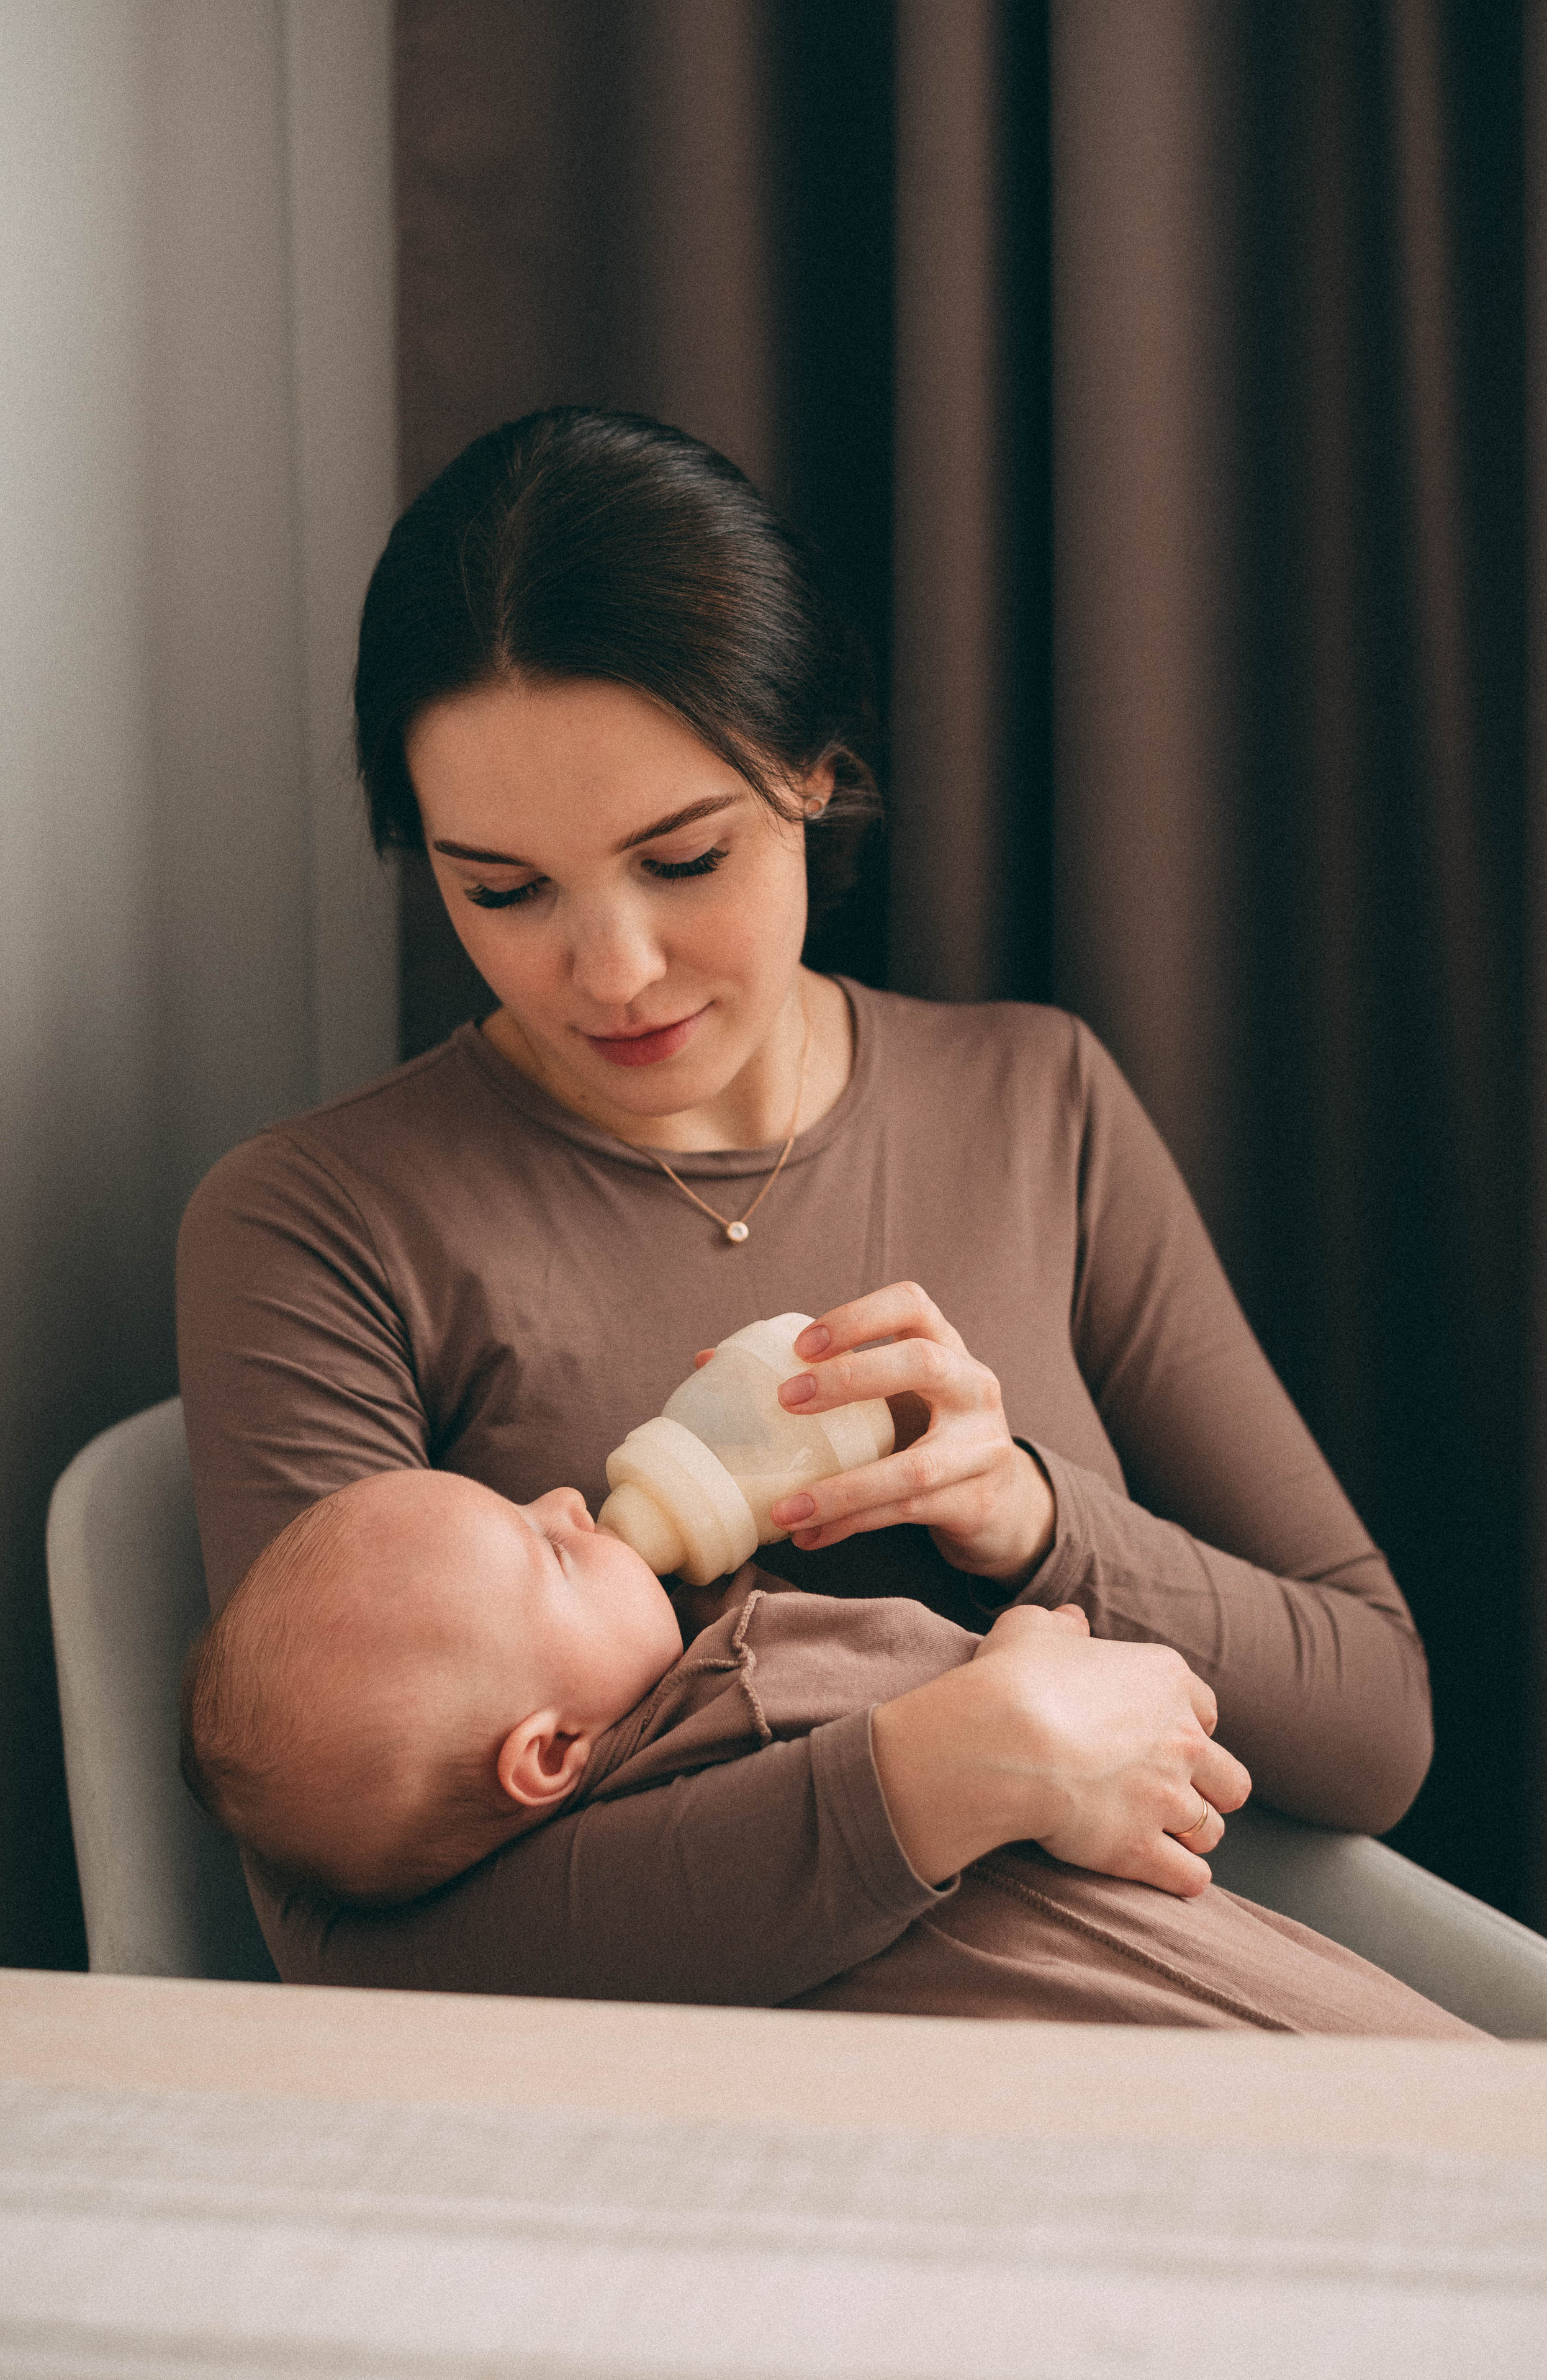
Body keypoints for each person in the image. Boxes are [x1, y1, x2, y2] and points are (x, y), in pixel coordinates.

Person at [177, 406, 1436, 2004]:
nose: (612, 971)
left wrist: (1028, 1518)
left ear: (815, 780)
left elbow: (1372, 1728)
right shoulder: (316, 1224)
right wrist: (942, 1773)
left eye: (682, 860)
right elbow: (356, 1958)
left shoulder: (1031, 1102)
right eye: (503, 889)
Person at [179, 1466, 1475, 2036]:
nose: (568, 1496)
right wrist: (1037, 1651)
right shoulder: (748, 1692)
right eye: (551, 1550)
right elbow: (992, 1690)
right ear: (549, 1753)